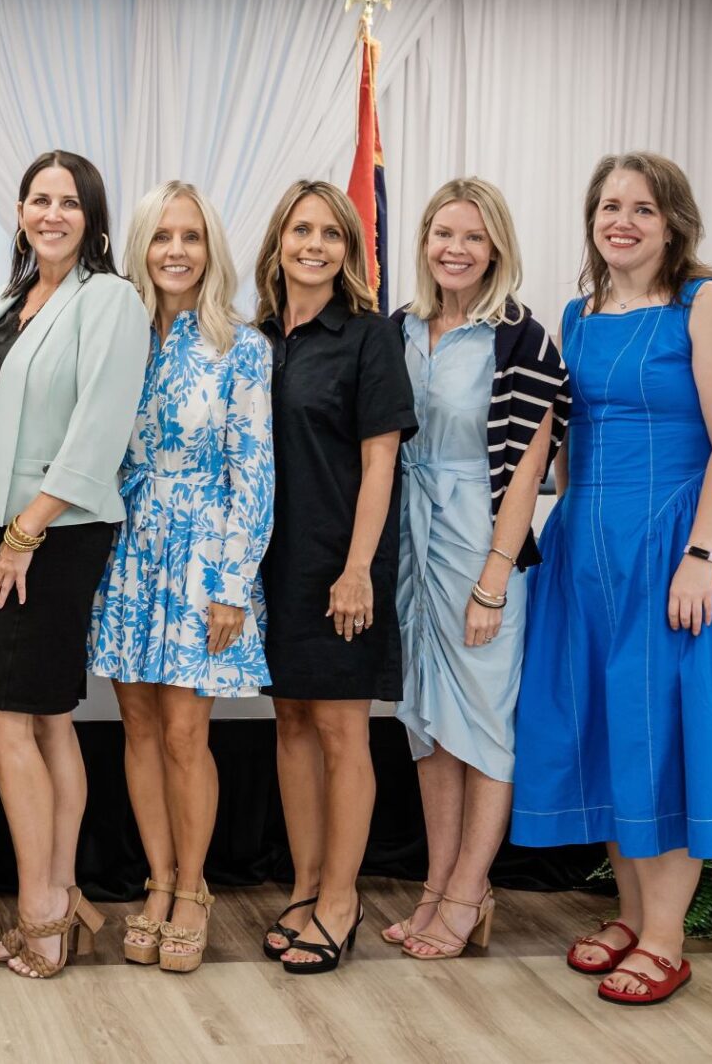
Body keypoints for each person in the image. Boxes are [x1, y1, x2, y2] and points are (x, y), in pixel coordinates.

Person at [513, 152, 712, 1007]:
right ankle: (633, 916)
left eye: (641, 208)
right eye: (609, 206)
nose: (622, 221)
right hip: (592, 546)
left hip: (680, 541)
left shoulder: (707, 303)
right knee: (609, 728)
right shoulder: (580, 313)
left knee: (663, 731)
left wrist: (701, 555)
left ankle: (667, 939)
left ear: (673, 223)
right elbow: (569, 439)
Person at [88, 180, 273, 975]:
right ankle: (157, 883)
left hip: (203, 554)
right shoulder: (118, 338)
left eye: (190, 236)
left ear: (211, 249)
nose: (175, 250)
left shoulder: (241, 345)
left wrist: (232, 582)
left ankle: (194, 889)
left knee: (185, 732)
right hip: (126, 550)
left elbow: (253, 471)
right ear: (141, 247)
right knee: (136, 727)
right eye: (162, 236)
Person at [0, 149, 148, 980]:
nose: (51, 214)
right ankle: (63, 894)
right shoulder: (11, 302)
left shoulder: (109, 299)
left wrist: (26, 532)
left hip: (54, 532)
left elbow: (98, 429)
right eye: (38, 199)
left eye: (69, 202)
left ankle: (41, 910)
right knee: (44, 720)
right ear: (19, 212)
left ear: (92, 218)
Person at [382, 178, 566, 961]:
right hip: (411, 545)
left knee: (484, 727)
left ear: (496, 249)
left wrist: (494, 579)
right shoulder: (398, 328)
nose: (455, 249)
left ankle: (469, 892)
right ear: (424, 240)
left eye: (472, 236)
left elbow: (528, 470)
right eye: (443, 233)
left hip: (480, 544)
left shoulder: (522, 339)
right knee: (428, 725)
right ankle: (438, 885)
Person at [253, 179, 415, 975]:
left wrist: (357, 571)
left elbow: (382, 463)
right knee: (290, 723)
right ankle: (306, 885)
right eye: (301, 230)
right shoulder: (254, 338)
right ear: (278, 242)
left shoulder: (368, 337)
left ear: (349, 248)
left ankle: (342, 900)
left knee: (342, 730)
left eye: (330, 233)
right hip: (270, 565)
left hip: (340, 562)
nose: (314, 245)